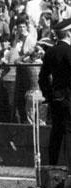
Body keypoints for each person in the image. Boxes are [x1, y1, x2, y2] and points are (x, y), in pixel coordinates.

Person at [38, 19, 71, 168]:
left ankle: (52, 167)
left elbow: (43, 77)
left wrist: (49, 95)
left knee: (56, 132)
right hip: (69, 97)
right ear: (69, 34)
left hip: (56, 97)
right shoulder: (68, 51)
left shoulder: (51, 51)